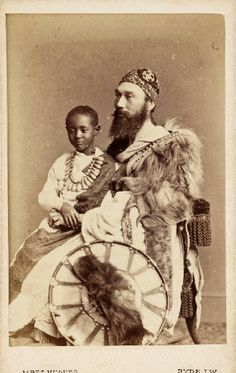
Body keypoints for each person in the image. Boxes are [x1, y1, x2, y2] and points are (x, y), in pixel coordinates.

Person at [9, 69, 204, 346]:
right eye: (117, 95)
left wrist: (122, 205)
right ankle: (47, 323)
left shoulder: (169, 146)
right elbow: (98, 190)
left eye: (129, 96)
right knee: (42, 250)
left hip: (147, 226)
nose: (119, 104)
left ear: (150, 103)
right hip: (104, 218)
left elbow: (171, 203)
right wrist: (78, 208)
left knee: (80, 244)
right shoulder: (121, 146)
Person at [9, 105, 116, 304]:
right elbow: (45, 196)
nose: (77, 135)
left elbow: (108, 205)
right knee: (27, 253)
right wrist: (63, 206)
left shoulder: (108, 165)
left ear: (97, 130)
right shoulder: (62, 162)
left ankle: (46, 321)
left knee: (50, 265)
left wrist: (79, 217)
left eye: (84, 130)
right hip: (57, 225)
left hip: (85, 229)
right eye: (71, 130)